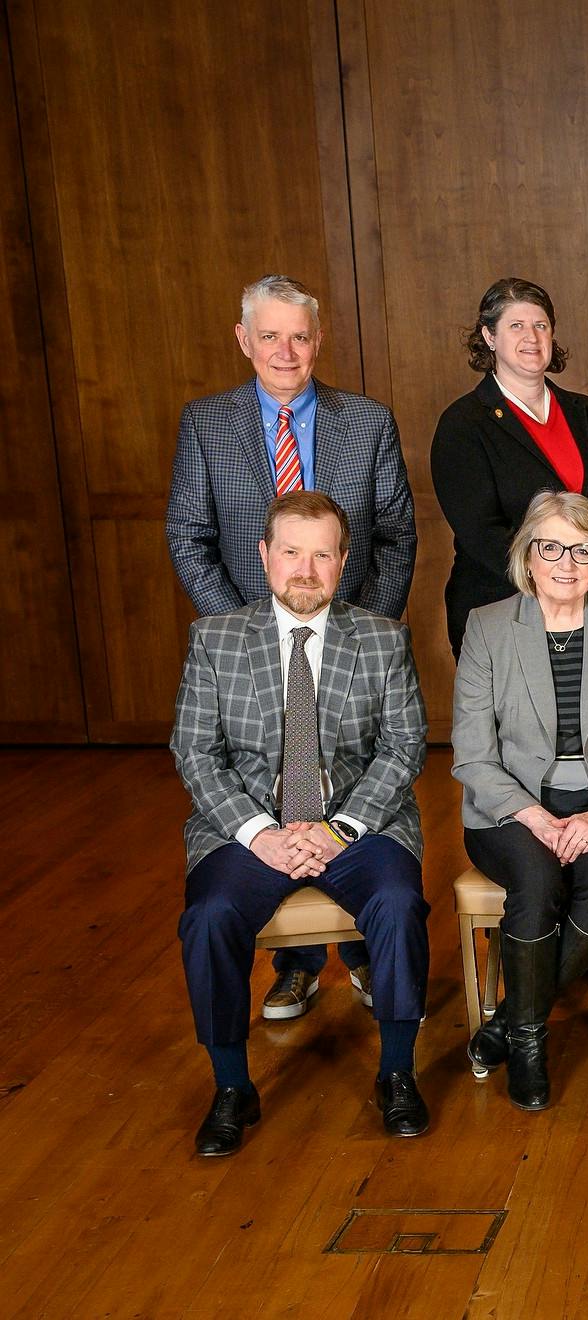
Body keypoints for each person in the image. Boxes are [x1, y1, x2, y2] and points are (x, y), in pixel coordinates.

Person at [166, 275, 416, 1021]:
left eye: (299, 336)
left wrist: (351, 633)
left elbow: (398, 537)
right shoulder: (207, 423)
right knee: (269, 784)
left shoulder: (366, 421)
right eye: (269, 335)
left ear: (318, 341)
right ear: (244, 340)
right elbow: (188, 535)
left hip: (347, 641)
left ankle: (373, 956)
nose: (285, 350)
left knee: (350, 781)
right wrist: (249, 633)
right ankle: (297, 965)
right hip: (249, 645)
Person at [170, 491, 430, 1157]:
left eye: (322, 554)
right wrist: (261, 833)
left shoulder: (381, 637)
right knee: (208, 918)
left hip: (356, 825)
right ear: (264, 556)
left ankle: (397, 1072)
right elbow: (196, 751)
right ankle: (231, 1084)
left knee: (400, 905)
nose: (305, 569)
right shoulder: (217, 639)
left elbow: (404, 747)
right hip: (252, 829)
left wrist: (340, 829)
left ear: (344, 561)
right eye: (291, 552)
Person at [453, 492, 588, 1111]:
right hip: (511, 810)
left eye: (581, 549)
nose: (566, 563)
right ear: (528, 555)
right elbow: (471, 753)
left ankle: (506, 1020)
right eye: (551, 548)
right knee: (538, 881)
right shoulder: (488, 627)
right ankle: (527, 1043)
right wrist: (534, 815)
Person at [432, 277, 588, 657]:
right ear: (489, 336)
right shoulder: (464, 423)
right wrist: (559, 583)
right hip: (504, 608)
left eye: (540, 325)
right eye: (516, 326)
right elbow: (480, 531)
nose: (531, 337)